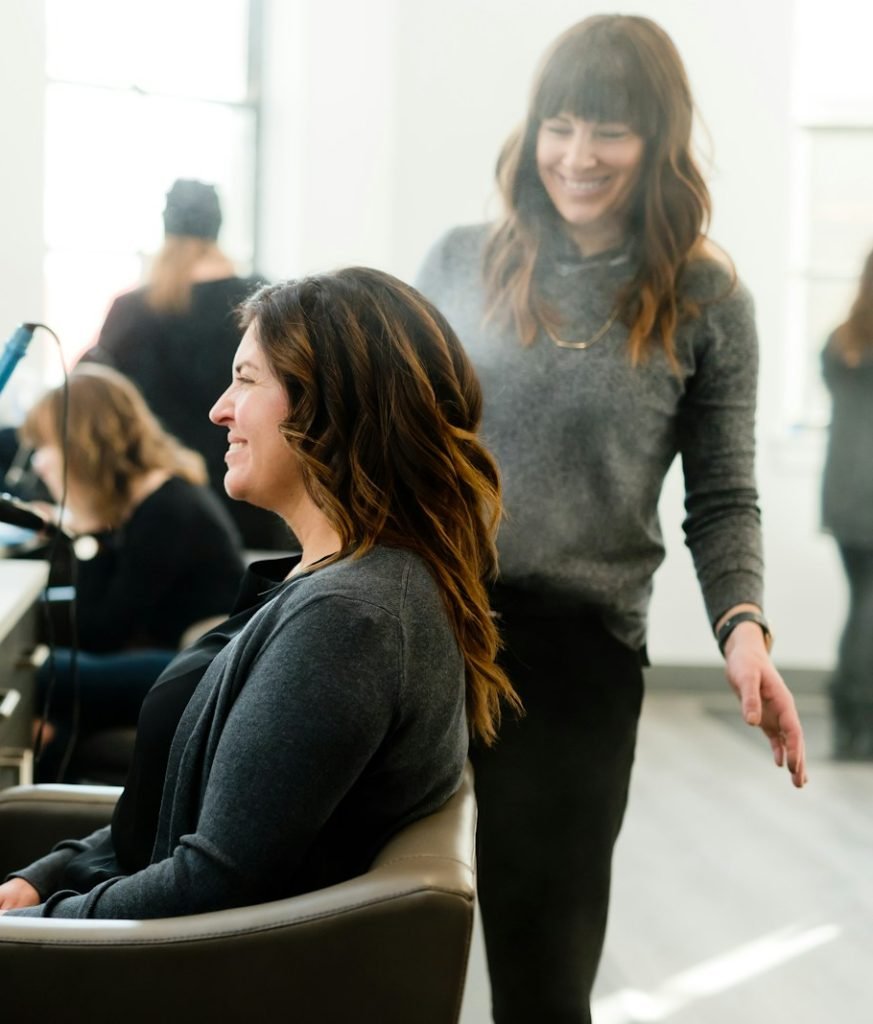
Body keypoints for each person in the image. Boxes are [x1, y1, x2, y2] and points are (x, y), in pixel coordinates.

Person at [415, 15, 807, 1023]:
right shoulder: (458, 261)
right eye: (561, 124)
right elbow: (395, 443)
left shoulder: (707, 299)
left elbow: (721, 492)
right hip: (420, 622)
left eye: (612, 132)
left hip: (573, 653)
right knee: (361, 927)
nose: (577, 157)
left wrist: (745, 630)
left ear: (660, 142)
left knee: (543, 970)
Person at [0, 267, 518, 920]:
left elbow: (207, 884)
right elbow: (187, 817)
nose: (219, 409)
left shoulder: (347, 624)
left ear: (327, 406)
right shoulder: (345, 584)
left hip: (153, 973)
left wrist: (34, 928)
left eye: (245, 380)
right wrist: (54, 875)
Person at [19, 363, 245, 780]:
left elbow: (100, 630)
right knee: (58, 720)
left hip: (199, 669)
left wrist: (86, 535)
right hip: (182, 656)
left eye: (45, 446)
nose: (39, 464)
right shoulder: (154, 498)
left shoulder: (166, 511)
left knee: (44, 672)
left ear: (81, 445)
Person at [81, 178, 286, 550]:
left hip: (162, 509)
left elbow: (86, 399)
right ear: (217, 228)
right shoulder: (263, 302)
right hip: (254, 497)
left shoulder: (132, 311)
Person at [821, 247, 873, 760]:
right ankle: (859, 718)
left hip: (841, 494)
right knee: (868, 607)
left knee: (861, 602)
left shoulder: (841, 341)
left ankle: (848, 715)